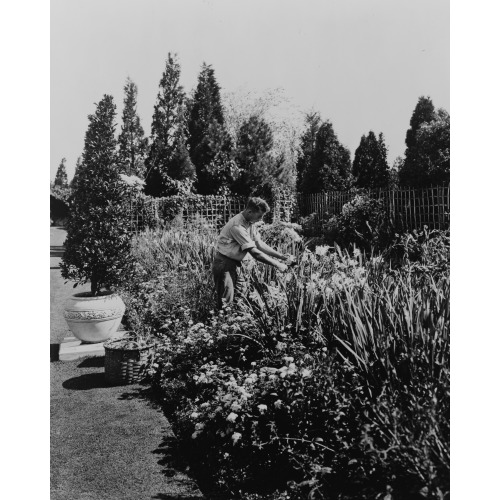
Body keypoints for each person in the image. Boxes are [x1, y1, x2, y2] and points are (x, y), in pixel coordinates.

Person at [212, 197, 292, 309]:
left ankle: (236, 324)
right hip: (224, 263)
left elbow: (259, 244)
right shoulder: (237, 226)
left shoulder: (249, 222)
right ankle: (221, 323)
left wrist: (281, 257)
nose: (261, 219)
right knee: (226, 302)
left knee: (241, 297)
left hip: (236, 263)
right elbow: (255, 253)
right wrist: (278, 265)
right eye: (259, 216)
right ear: (249, 211)